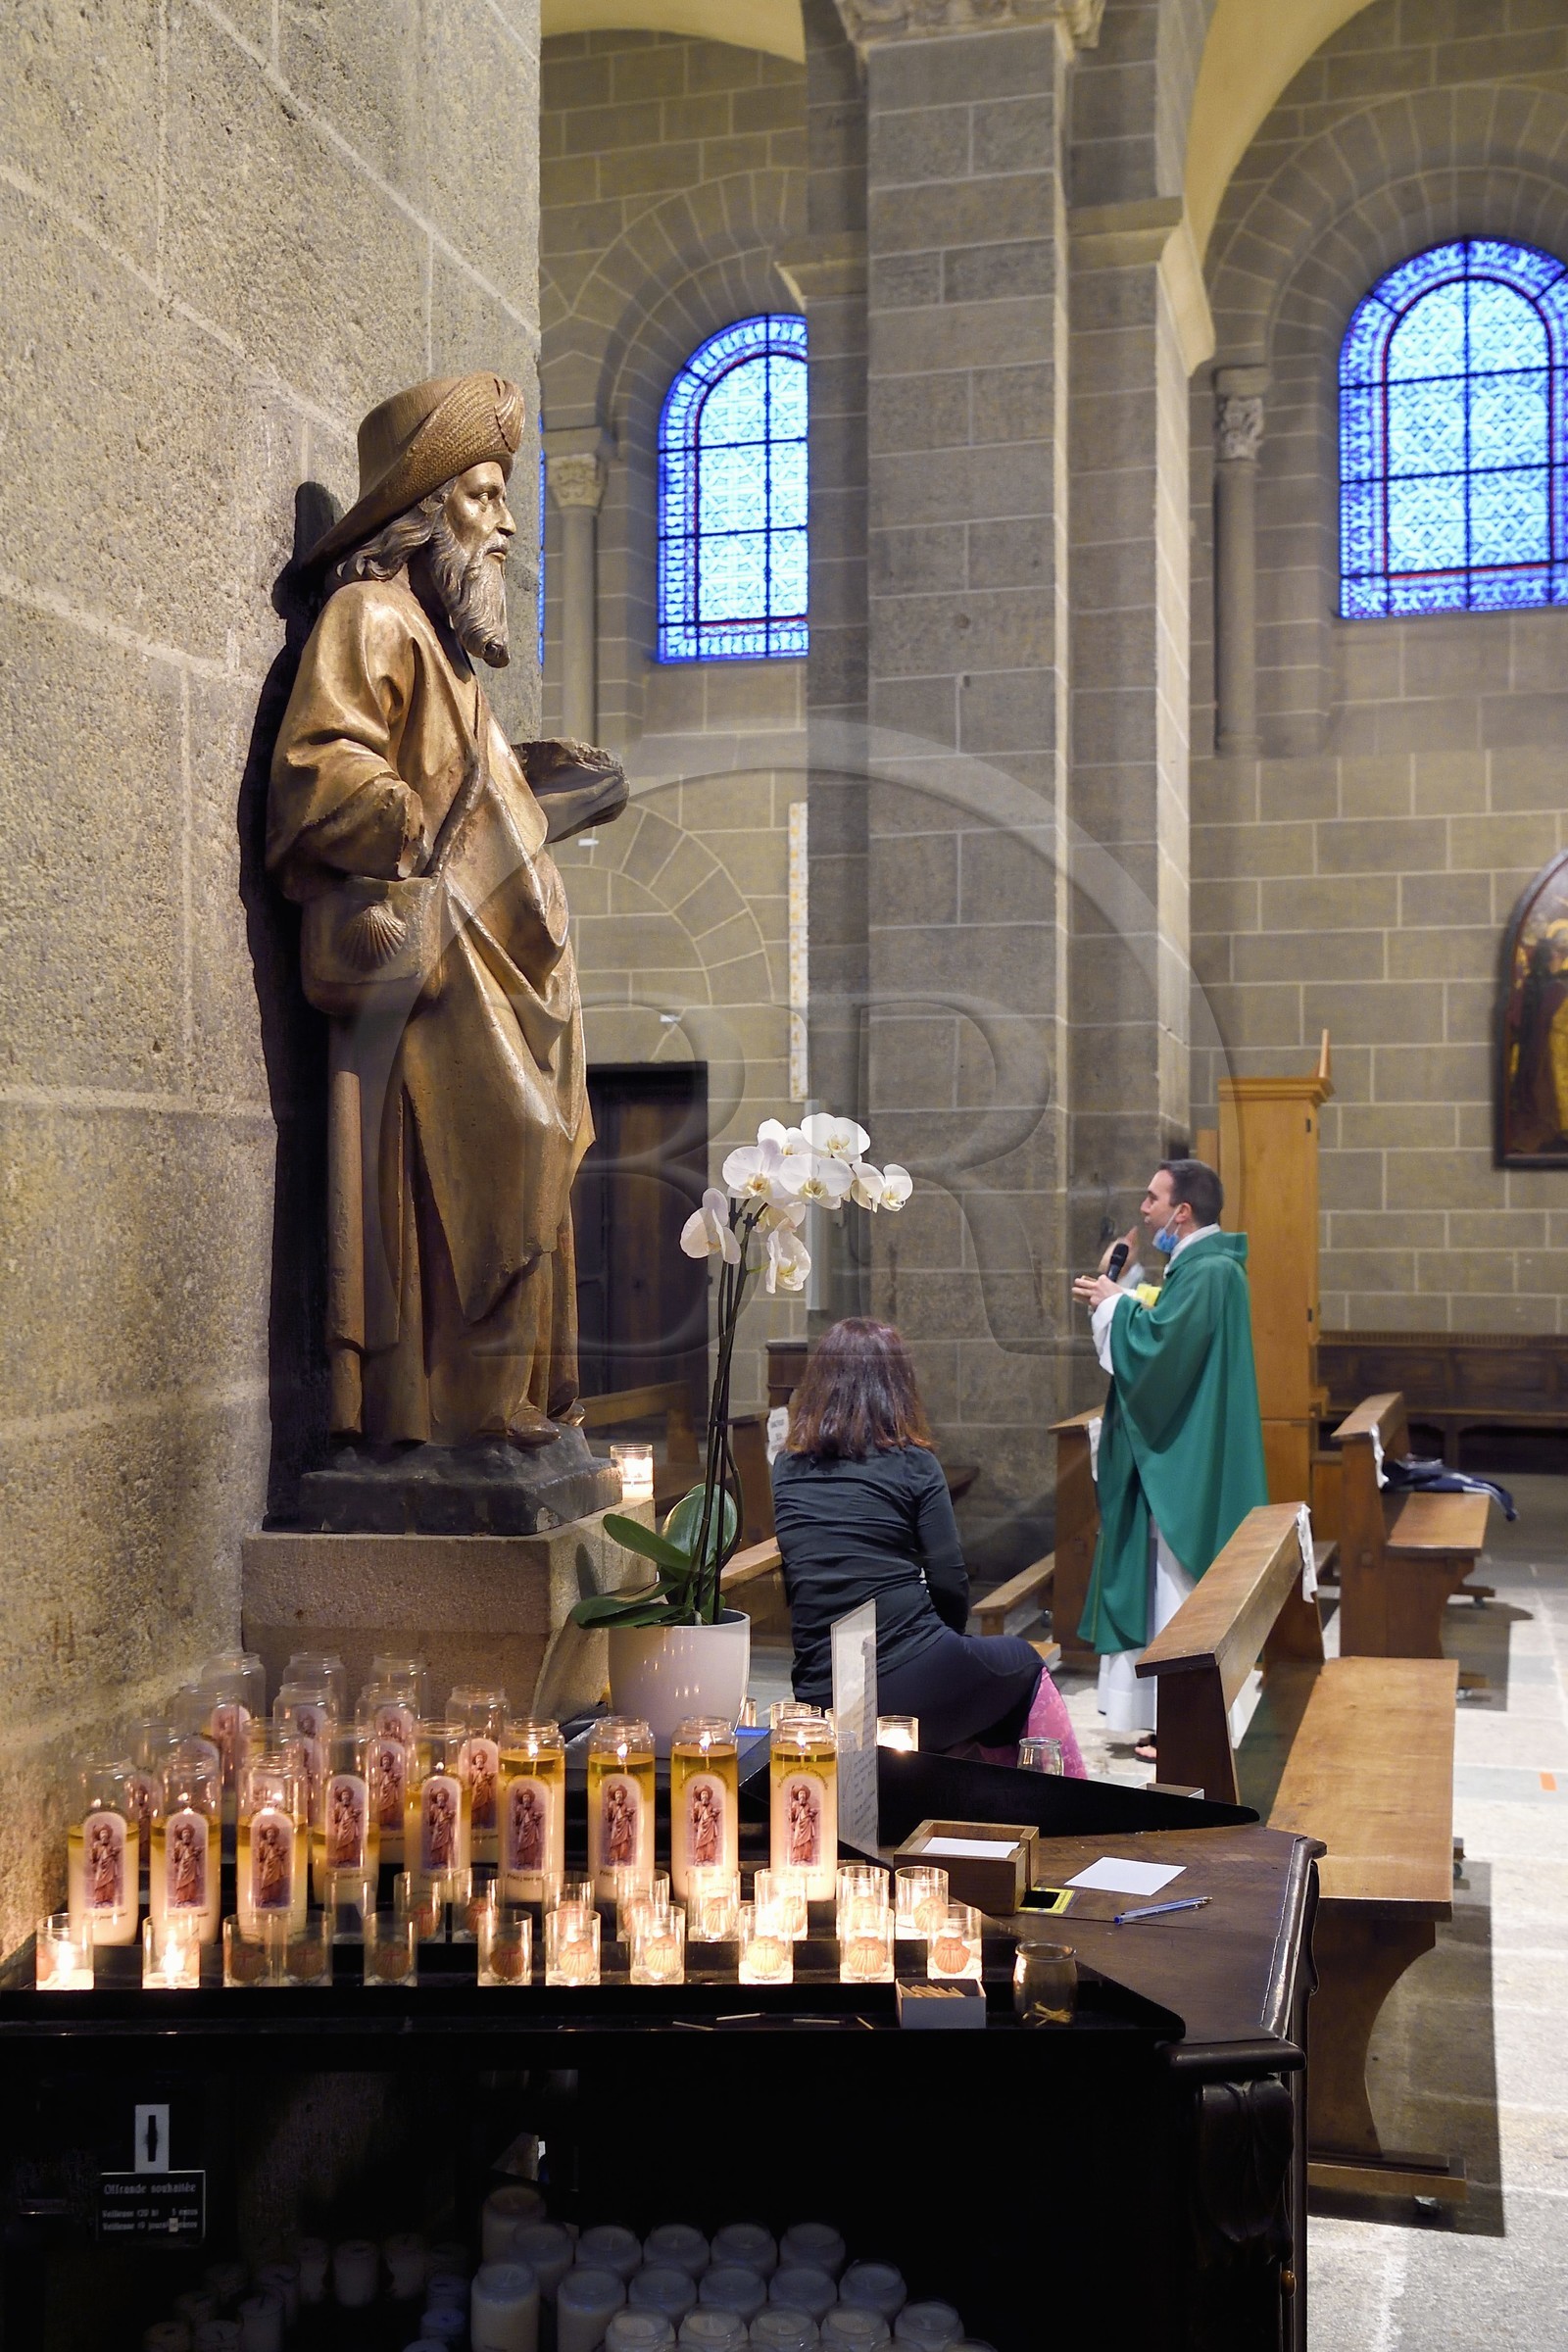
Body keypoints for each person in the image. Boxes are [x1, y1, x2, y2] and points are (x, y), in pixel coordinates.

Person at [269, 371, 626, 1450]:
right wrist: (391, 810)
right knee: (501, 1149)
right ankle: (448, 1411)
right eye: (481, 495)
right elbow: (319, 762)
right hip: (441, 981)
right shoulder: (368, 615)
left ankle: (501, 1404)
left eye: (504, 495)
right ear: (422, 516)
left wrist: (535, 785)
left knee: (543, 1149)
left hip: (507, 977)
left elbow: (469, 788)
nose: (508, 522)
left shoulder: (455, 659)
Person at [771, 1318, 1085, 1770]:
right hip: (911, 1678)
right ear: (897, 1387)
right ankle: (1058, 1813)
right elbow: (950, 1579)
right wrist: (946, 1645)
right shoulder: (914, 1464)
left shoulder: (787, 1467)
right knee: (1022, 1663)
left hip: (822, 1693)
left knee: (980, 1688)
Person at [1071, 1159, 1268, 1761]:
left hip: (1186, 1461)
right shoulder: (1203, 1268)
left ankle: (1181, 1719)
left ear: (1183, 1211)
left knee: (1176, 1587)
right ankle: (1167, 1718)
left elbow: (1160, 1353)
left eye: (1153, 1198)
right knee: (1164, 1587)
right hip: (1188, 1449)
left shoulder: (1208, 1272)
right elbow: (1165, 1330)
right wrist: (1123, 1295)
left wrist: (1114, 1304)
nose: (1145, 1208)